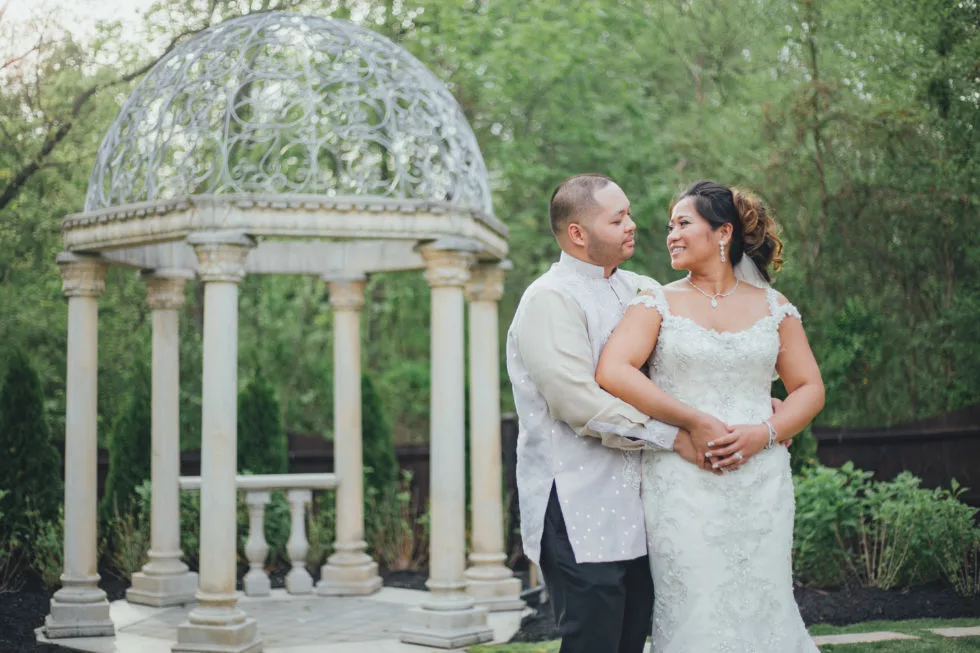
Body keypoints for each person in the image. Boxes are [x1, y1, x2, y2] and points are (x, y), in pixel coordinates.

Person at [596, 180, 825, 652]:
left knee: (765, 602)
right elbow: (613, 371)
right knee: (694, 605)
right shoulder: (655, 301)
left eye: (683, 223)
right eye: (669, 226)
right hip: (682, 481)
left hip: (760, 483)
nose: (671, 235)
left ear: (723, 233)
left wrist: (767, 432)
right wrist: (691, 420)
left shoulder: (773, 307)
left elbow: (809, 388)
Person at [506, 174, 731, 653]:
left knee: (632, 641)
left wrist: (750, 414)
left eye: (628, 212)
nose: (633, 224)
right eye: (618, 218)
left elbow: (687, 370)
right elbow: (576, 403)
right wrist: (674, 437)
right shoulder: (549, 300)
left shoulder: (641, 290)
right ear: (578, 234)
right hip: (574, 503)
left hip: (647, 505)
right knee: (594, 642)